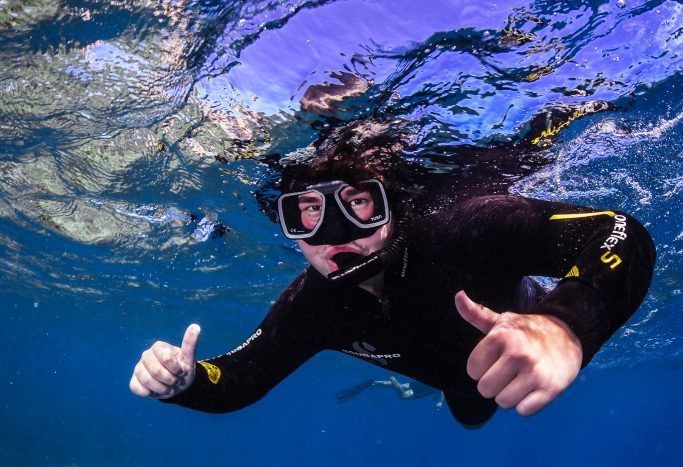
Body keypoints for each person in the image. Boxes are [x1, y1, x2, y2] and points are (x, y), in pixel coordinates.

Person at [129, 124, 656, 427]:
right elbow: (239, 380)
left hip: (517, 338)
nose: (336, 235)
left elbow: (619, 233)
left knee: (481, 407)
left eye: (359, 205)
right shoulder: (314, 305)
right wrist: (186, 380)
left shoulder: (462, 231)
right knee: (472, 413)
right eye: (307, 214)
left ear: (391, 208)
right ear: (287, 226)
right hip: (465, 384)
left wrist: (563, 325)